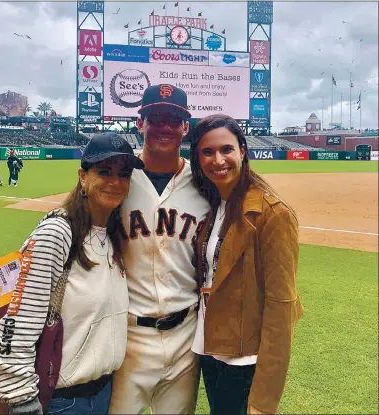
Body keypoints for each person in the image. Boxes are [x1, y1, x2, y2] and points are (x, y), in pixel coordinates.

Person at [0, 133, 144, 415]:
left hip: (103, 393)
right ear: (83, 176)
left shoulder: (110, 236)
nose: (115, 181)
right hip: (63, 400)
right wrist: (21, 398)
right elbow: (19, 318)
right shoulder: (58, 233)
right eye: (104, 171)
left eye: (123, 174)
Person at [189, 114, 304, 415]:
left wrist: (264, 400)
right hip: (212, 352)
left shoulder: (272, 214)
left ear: (242, 150)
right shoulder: (216, 203)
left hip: (245, 363)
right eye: (207, 152)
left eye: (226, 149)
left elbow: (281, 306)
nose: (218, 159)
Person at [109, 85, 210, 414]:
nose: (164, 127)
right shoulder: (117, 179)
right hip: (127, 337)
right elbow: (78, 222)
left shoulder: (205, 184)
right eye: (155, 118)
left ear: (185, 127)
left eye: (173, 119)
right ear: (141, 123)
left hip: (186, 335)